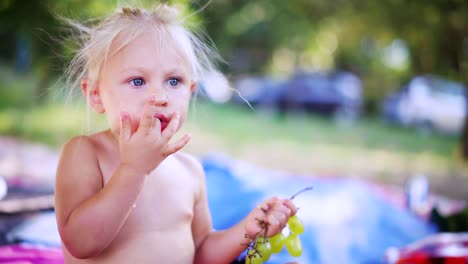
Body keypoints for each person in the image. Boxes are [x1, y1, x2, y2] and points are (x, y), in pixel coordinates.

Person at [55, 4, 298, 264]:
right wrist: (133, 170)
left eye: (174, 81)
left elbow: (202, 252)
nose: (160, 97)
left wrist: (247, 231)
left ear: (190, 90)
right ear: (95, 94)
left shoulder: (189, 170)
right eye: (137, 81)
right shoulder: (86, 154)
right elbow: (80, 242)